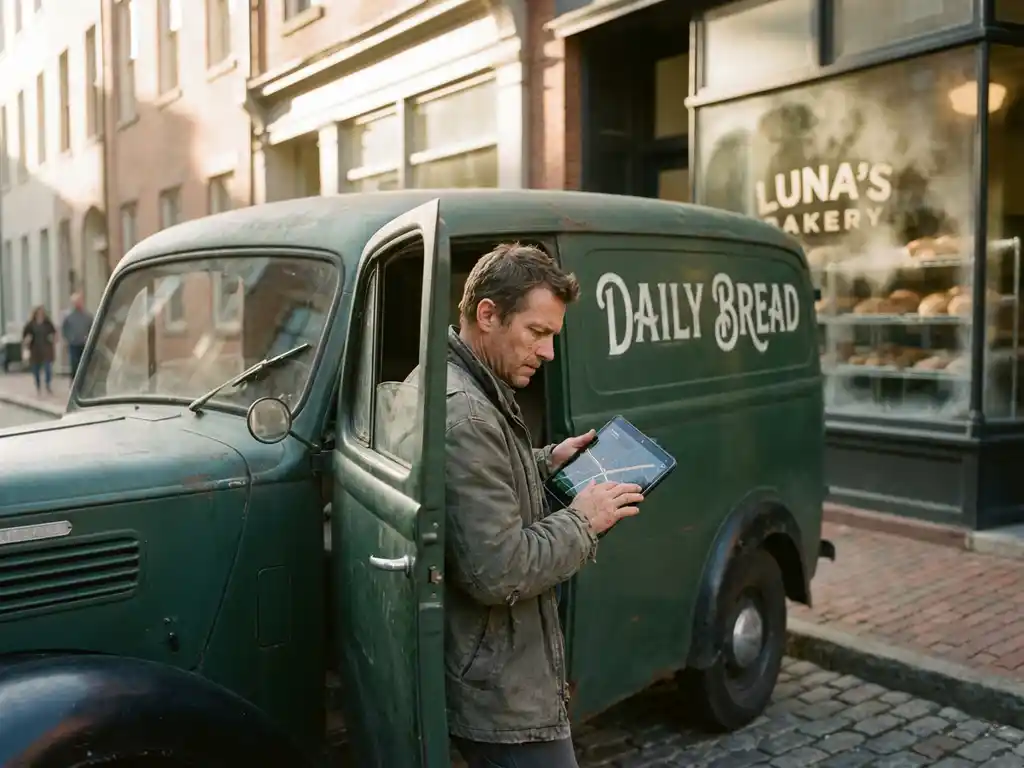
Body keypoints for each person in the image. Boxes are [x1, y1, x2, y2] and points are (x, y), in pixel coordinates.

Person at [438, 243, 645, 768]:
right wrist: (585, 519)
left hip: (487, 669)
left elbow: (477, 483)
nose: (549, 352)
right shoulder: (468, 414)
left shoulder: (461, 379)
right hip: (499, 688)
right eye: (538, 332)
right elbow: (497, 569)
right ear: (487, 314)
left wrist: (546, 461)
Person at [22, 305, 56, 396]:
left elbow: (54, 332)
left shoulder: (47, 323)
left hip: (46, 349)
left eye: (42, 312)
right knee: (36, 369)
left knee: (47, 368)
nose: (41, 314)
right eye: (39, 312)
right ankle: (38, 385)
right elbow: (25, 335)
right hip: (35, 350)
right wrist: (27, 340)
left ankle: (48, 384)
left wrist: (53, 338)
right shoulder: (31, 324)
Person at [61, 292, 93, 379]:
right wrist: (69, 338)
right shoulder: (69, 317)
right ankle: (74, 382)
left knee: (85, 364)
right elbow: (64, 329)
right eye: (75, 302)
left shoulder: (88, 316)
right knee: (74, 364)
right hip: (74, 344)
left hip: (85, 344)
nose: (78, 304)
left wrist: (88, 338)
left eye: (79, 301)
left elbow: (91, 328)